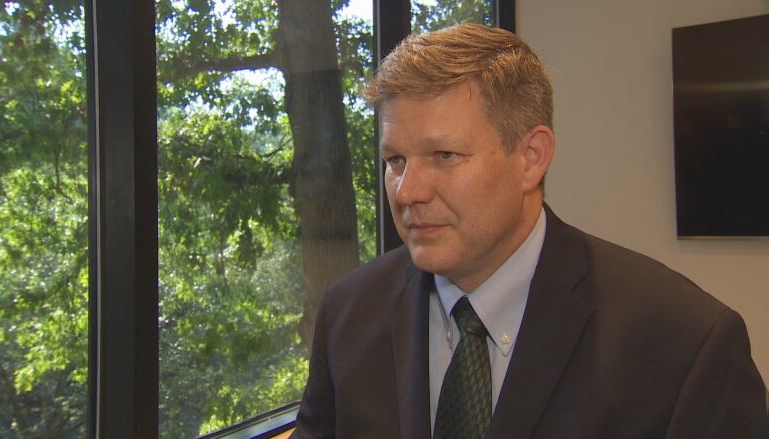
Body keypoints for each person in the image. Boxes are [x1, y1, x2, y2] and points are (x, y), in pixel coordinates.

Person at [291, 23, 768, 439]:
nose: (407, 191)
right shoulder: (348, 313)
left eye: (444, 156)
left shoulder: (686, 344)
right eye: (395, 160)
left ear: (531, 158)